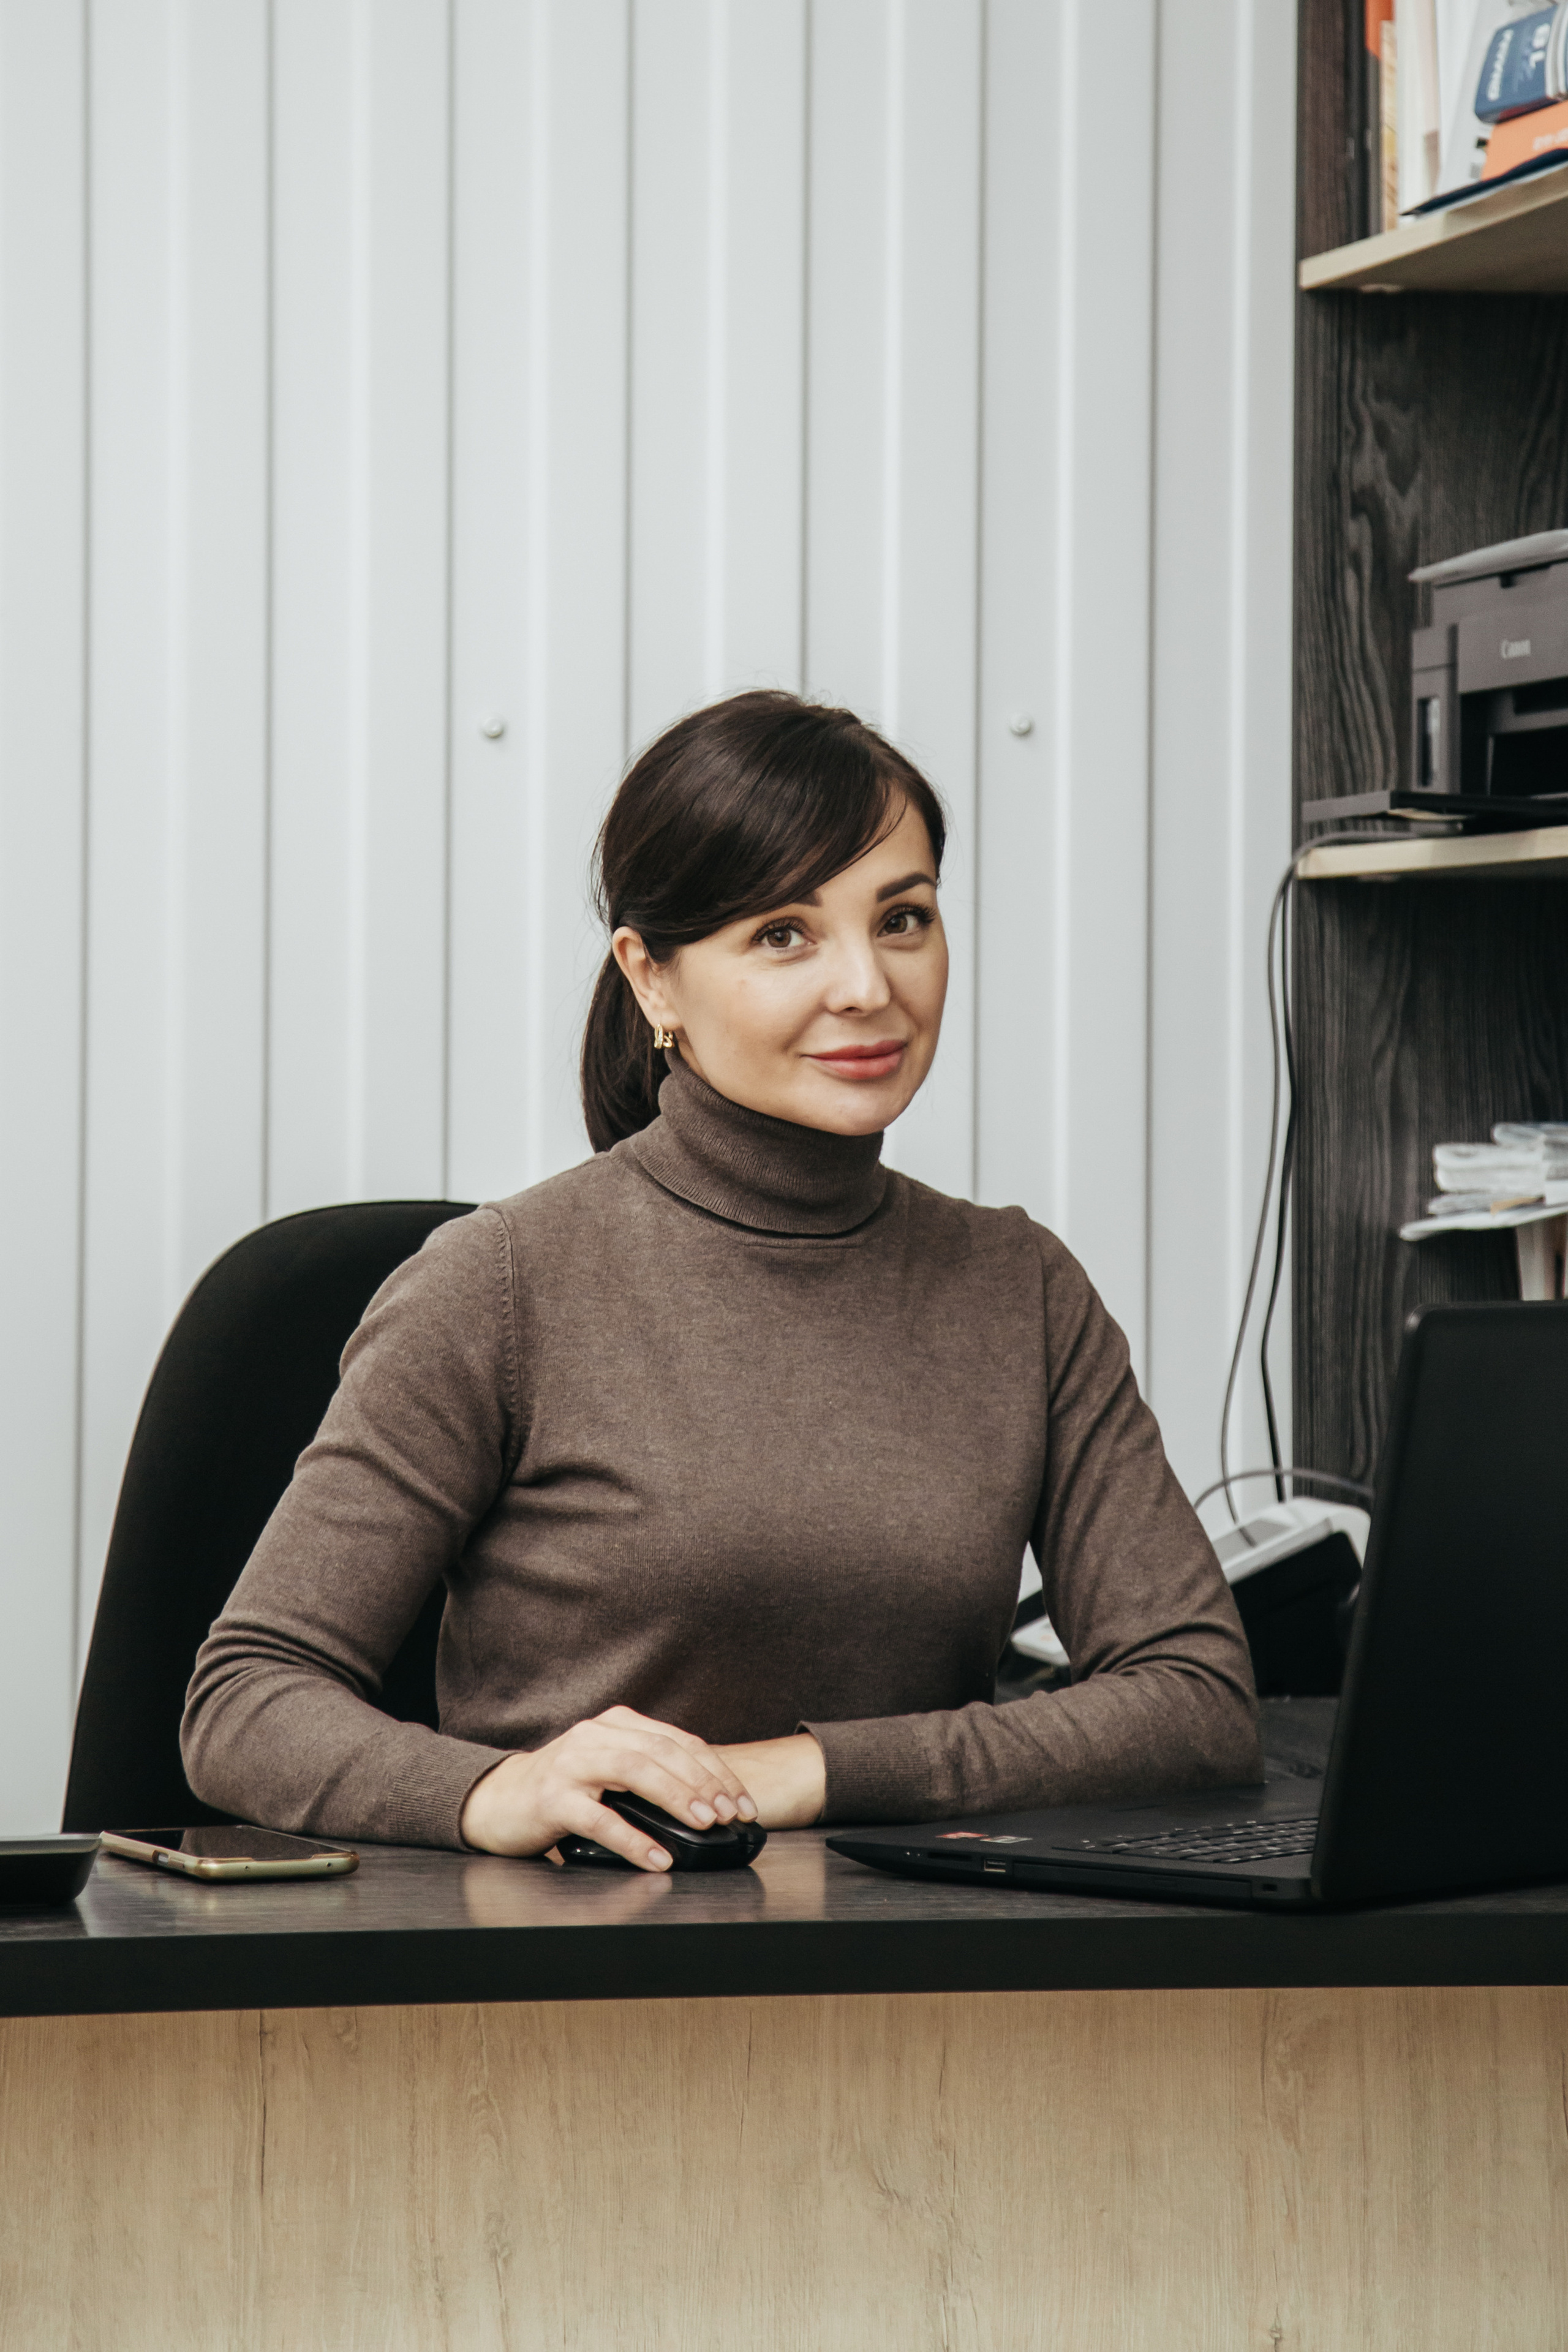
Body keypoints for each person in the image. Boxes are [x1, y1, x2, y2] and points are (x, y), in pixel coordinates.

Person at [182, 690, 1260, 1871]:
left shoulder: (1020, 1288)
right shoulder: (501, 1285)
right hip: (577, 1944)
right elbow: (247, 1701)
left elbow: (1196, 1699)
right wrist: (498, 1788)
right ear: (651, 978)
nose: (867, 985)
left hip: (919, 1948)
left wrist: (796, 1772)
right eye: (784, 935)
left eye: (902, 919)